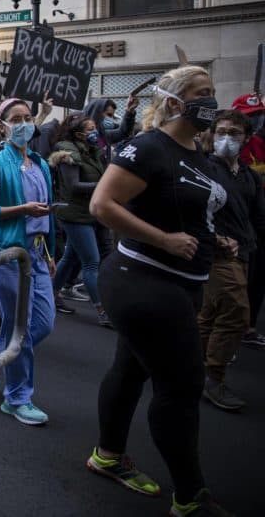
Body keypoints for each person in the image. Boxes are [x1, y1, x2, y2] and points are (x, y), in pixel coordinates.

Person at [87, 65, 232, 515]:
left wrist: (216, 241)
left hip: (179, 283)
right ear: (174, 102)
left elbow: (187, 210)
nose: (210, 100)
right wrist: (163, 240)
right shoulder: (148, 146)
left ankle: (107, 456)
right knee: (183, 386)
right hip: (143, 280)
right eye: (200, 93)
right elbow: (101, 204)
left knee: (130, 370)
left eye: (212, 91)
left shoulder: (197, 152)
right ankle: (191, 497)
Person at [0, 97, 57, 426]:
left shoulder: (40, 163)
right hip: (6, 254)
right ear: (3, 126)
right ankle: (17, 398)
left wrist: (50, 254)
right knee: (19, 328)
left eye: (27, 117)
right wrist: (22, 210)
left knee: (42, 324)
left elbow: (47, 216)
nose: (23, 124)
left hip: (36, 254)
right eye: (15, 119)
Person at [197, 109, 265, 411]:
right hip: (216, 253)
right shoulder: (204, 169)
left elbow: (257, 217)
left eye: (234, 133)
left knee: (210, 315)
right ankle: (214, 377)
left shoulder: (250, 176)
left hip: (243, 252)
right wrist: (216, 239)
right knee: (237, 313)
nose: (226, 138)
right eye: (221, 131)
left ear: (247, 138)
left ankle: (191, 370)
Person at [48, 113, 111, 327]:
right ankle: (103, 311)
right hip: (75, 215)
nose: (95, 133)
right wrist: (104, 186)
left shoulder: (91, 151)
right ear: (78, 134)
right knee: (91, 262)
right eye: (90, 129)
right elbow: (74, 186)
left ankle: (51, 294)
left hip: (87, 213)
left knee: (70, 257)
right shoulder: (67, 153)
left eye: (95, 128)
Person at [231, 93, 265, 349]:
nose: (258, 120)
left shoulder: (261, 143)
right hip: (237, 224)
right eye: (252, 116)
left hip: (259, 222)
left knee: (257, 277)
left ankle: (249, 326)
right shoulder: (225, 146)